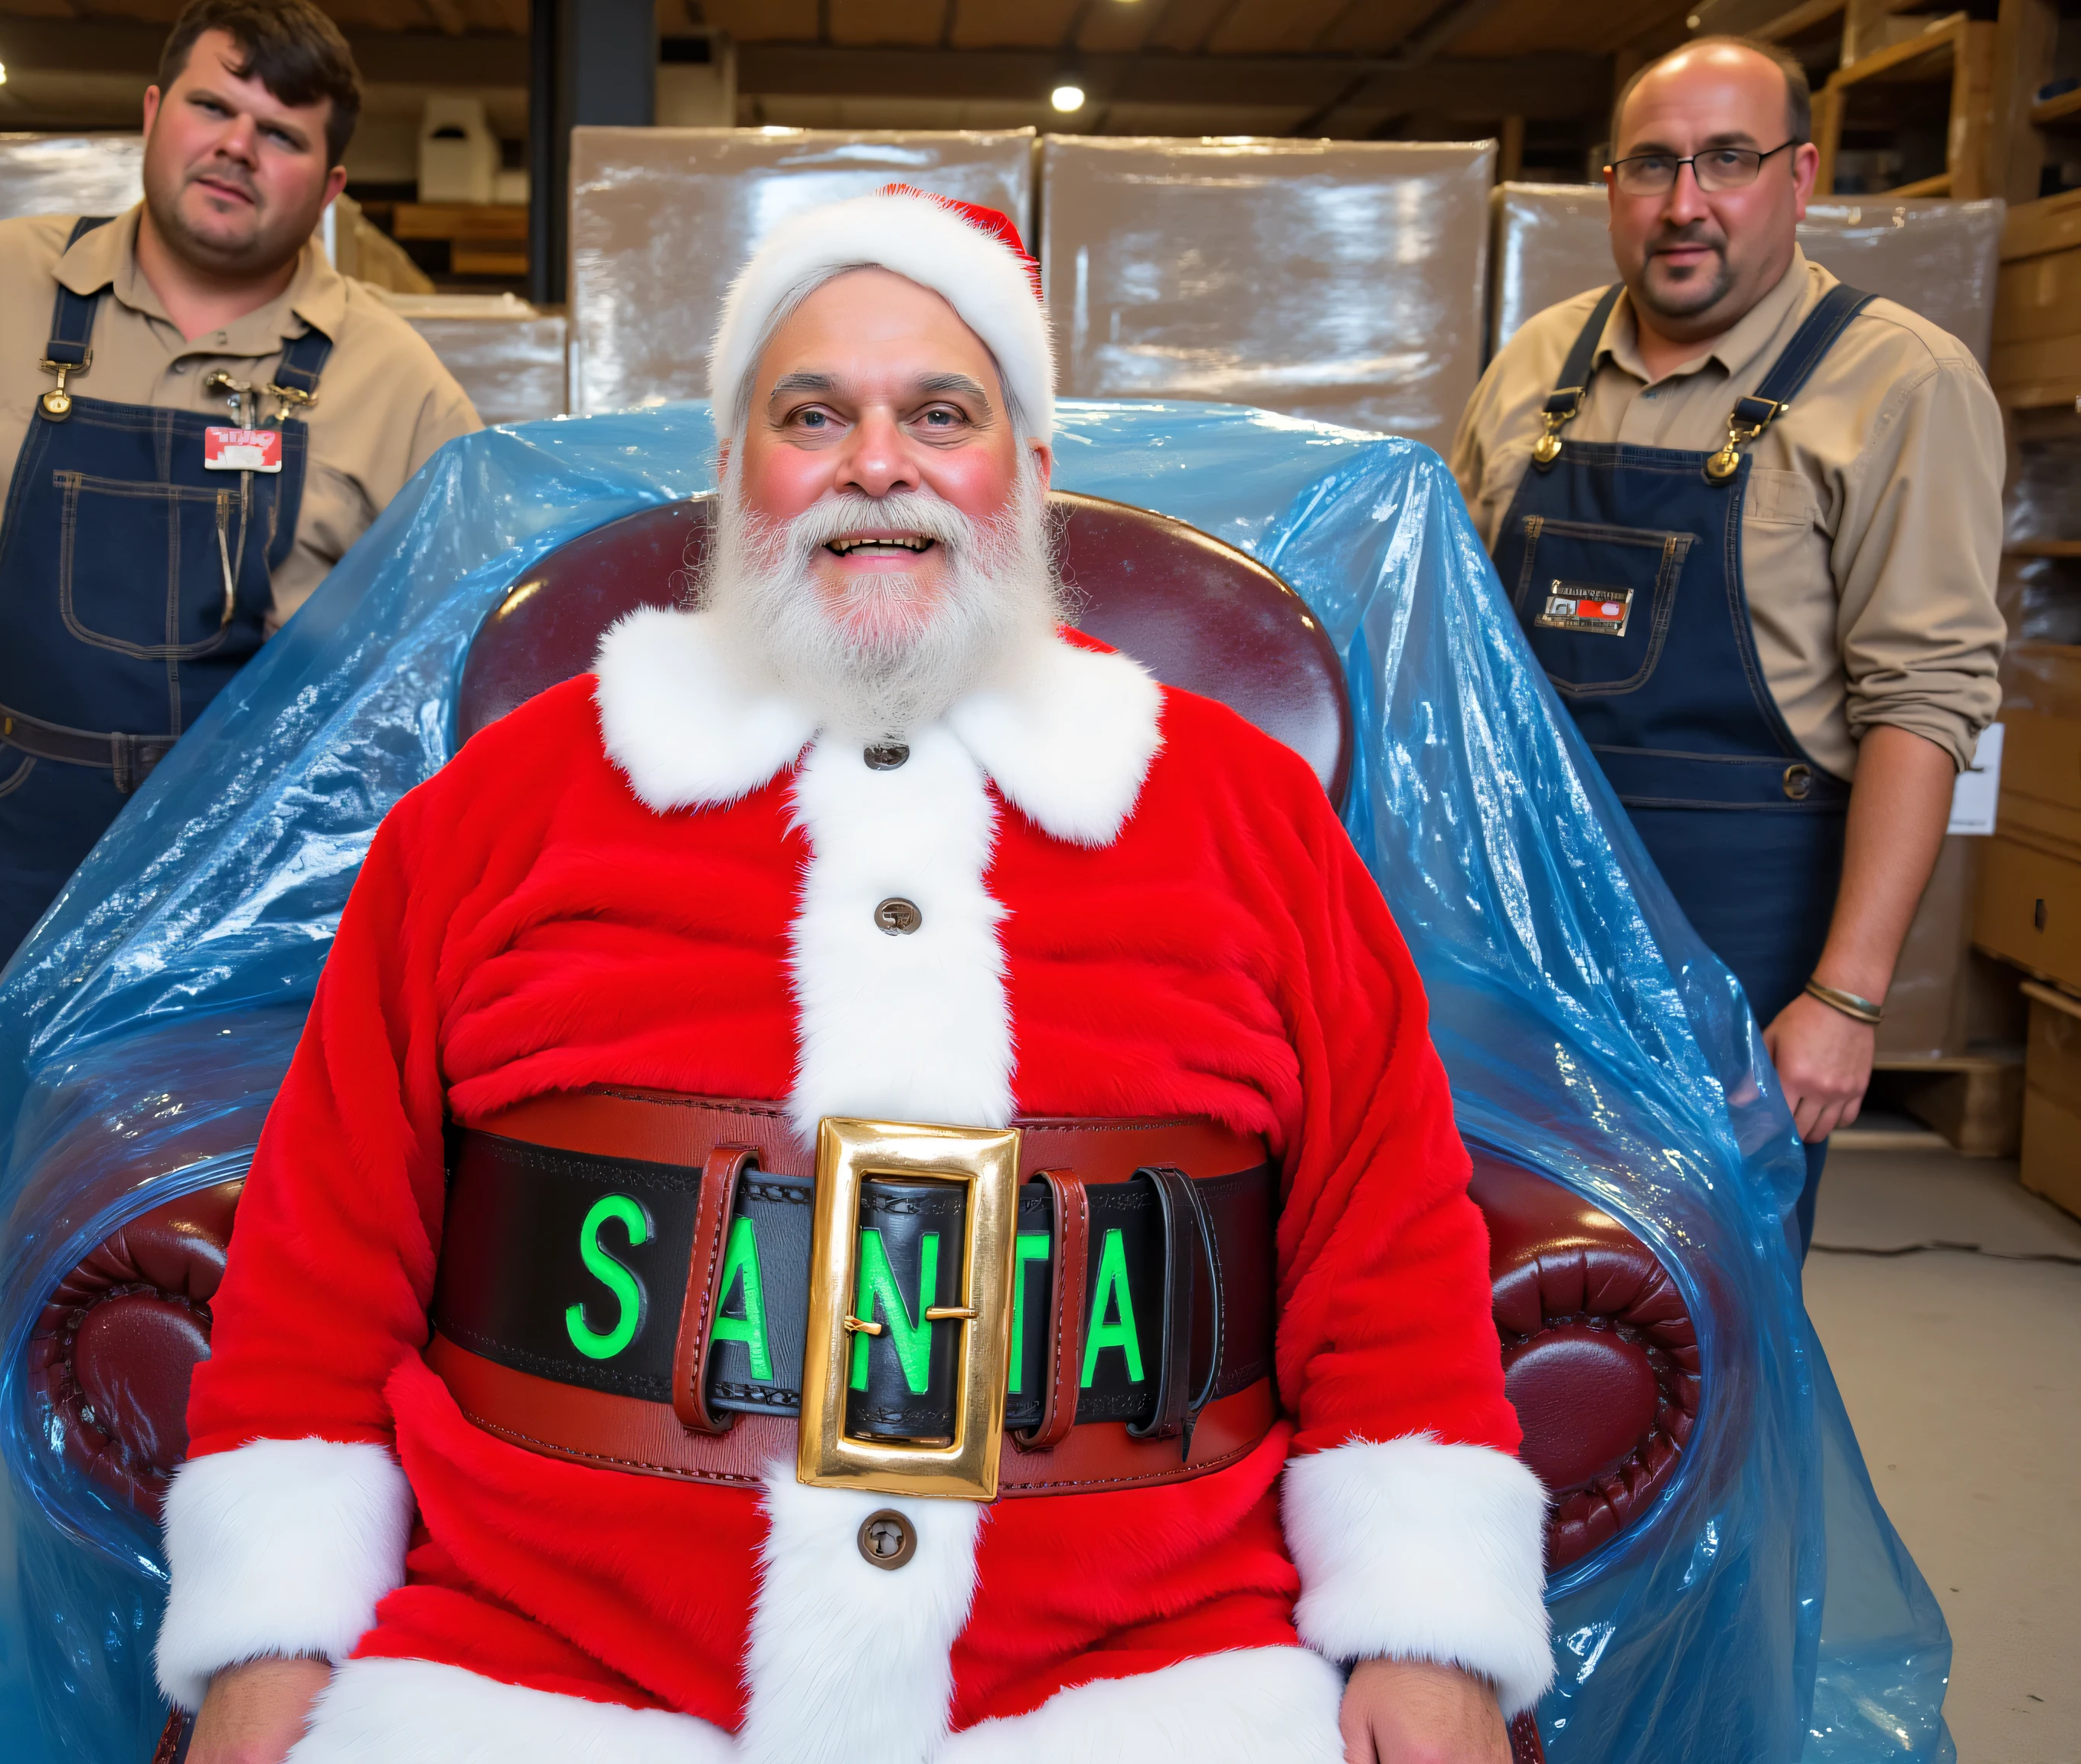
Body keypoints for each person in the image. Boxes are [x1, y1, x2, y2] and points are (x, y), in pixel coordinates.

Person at [155, 188, 1552, 1764]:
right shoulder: (490, 816)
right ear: (736, 474)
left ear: (1028, 471)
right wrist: (274, 1631)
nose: (875, 463)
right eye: (813, 413)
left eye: (937, 413)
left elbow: (1393, 1256)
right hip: (542, 1672)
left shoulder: (1246, 818)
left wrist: (1427, 1631)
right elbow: (321, 1259)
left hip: (1141, 1676)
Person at [1452, 37, 2004, 1256]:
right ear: (1611, 186)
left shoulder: (1900, 382)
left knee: (1706, 1300)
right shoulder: (1538, 364)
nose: (1684, 201)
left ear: (1800, 178)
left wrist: (1845, 998)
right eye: (1652, 165)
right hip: (1528, 911)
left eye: (1728, 161)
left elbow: (1923, 703)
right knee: (1502, 1270)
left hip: (1748, 929)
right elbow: (1453, 653)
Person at [0, 0, 480, 1011]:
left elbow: (456, 632)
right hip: (31, 820)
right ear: (151, 111)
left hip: (264, 845)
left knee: (236, 1154)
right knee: (38, 1141)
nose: (234, 147)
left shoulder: (400, 384)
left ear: (331, 185)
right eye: (211, 105)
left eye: (281, 134)